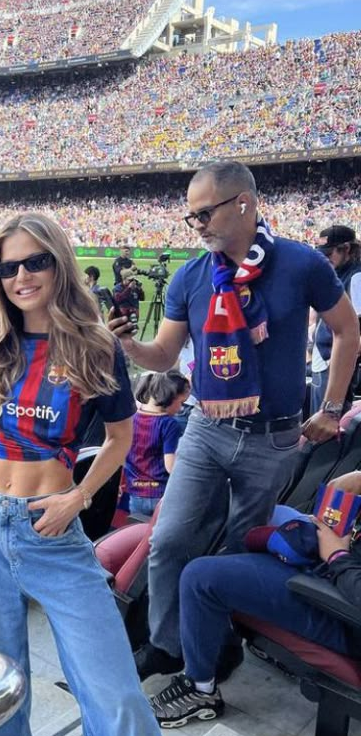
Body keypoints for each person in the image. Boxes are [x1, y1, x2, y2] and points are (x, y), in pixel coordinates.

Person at [0, 213, 197, 736]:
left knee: (113, 695)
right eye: (8, 266)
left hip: (52, 530)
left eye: (34, 262)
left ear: (58, 263)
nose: (21, 275)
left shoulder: (92, 344)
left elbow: (117, 438)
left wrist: (79, 499)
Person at [110, 161, 360, 682]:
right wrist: (130, 344)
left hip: (274, 438)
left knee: (237, 552)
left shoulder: (301, 263)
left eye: (204, 212)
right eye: (190, 217)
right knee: (169, 539)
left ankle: (218, 647)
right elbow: (162, 355)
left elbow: (347, 332)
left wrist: (332, 408)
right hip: (205, 427)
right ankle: (167, 644)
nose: (197, 225)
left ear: (242, 203)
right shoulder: (191, 276)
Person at [149, 472, 361, 728]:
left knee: (199, 578)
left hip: (342, 611)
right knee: (268, 514)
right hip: (338, 567)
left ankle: (200, 688)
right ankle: (217, 633)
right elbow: (339, 492)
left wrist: (336, 555)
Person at [125, 370, 190, 516]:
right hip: (160, 495)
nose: (180, 408)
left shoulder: (132, 419)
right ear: (170, 396)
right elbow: (170, 466)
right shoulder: (168, 424)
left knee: (140, 534)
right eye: (181, 402)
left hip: (135, 494)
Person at [311, 225, 361, 411]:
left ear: (346, 249)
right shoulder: (337, 272)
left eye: (329, 253)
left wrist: (339, 362)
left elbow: (356, 331)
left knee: (327, 427)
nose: (325, 258)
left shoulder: (356, 277)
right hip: (325, 359)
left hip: (334, 363)